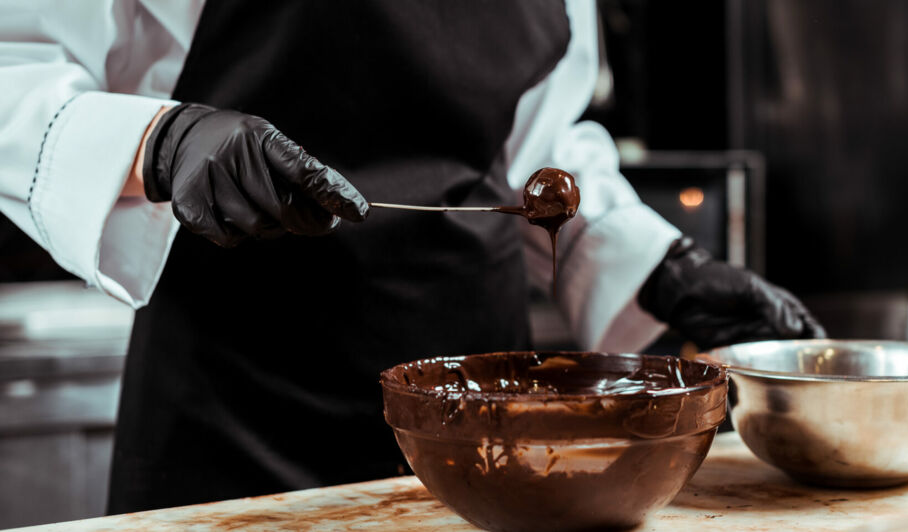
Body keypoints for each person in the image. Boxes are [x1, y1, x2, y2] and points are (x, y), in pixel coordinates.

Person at [0, 0, 824, 514]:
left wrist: (663, 267)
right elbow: (13, 66)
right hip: (240, 409)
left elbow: (531, 143)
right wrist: (162, 142)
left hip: (494, 432)